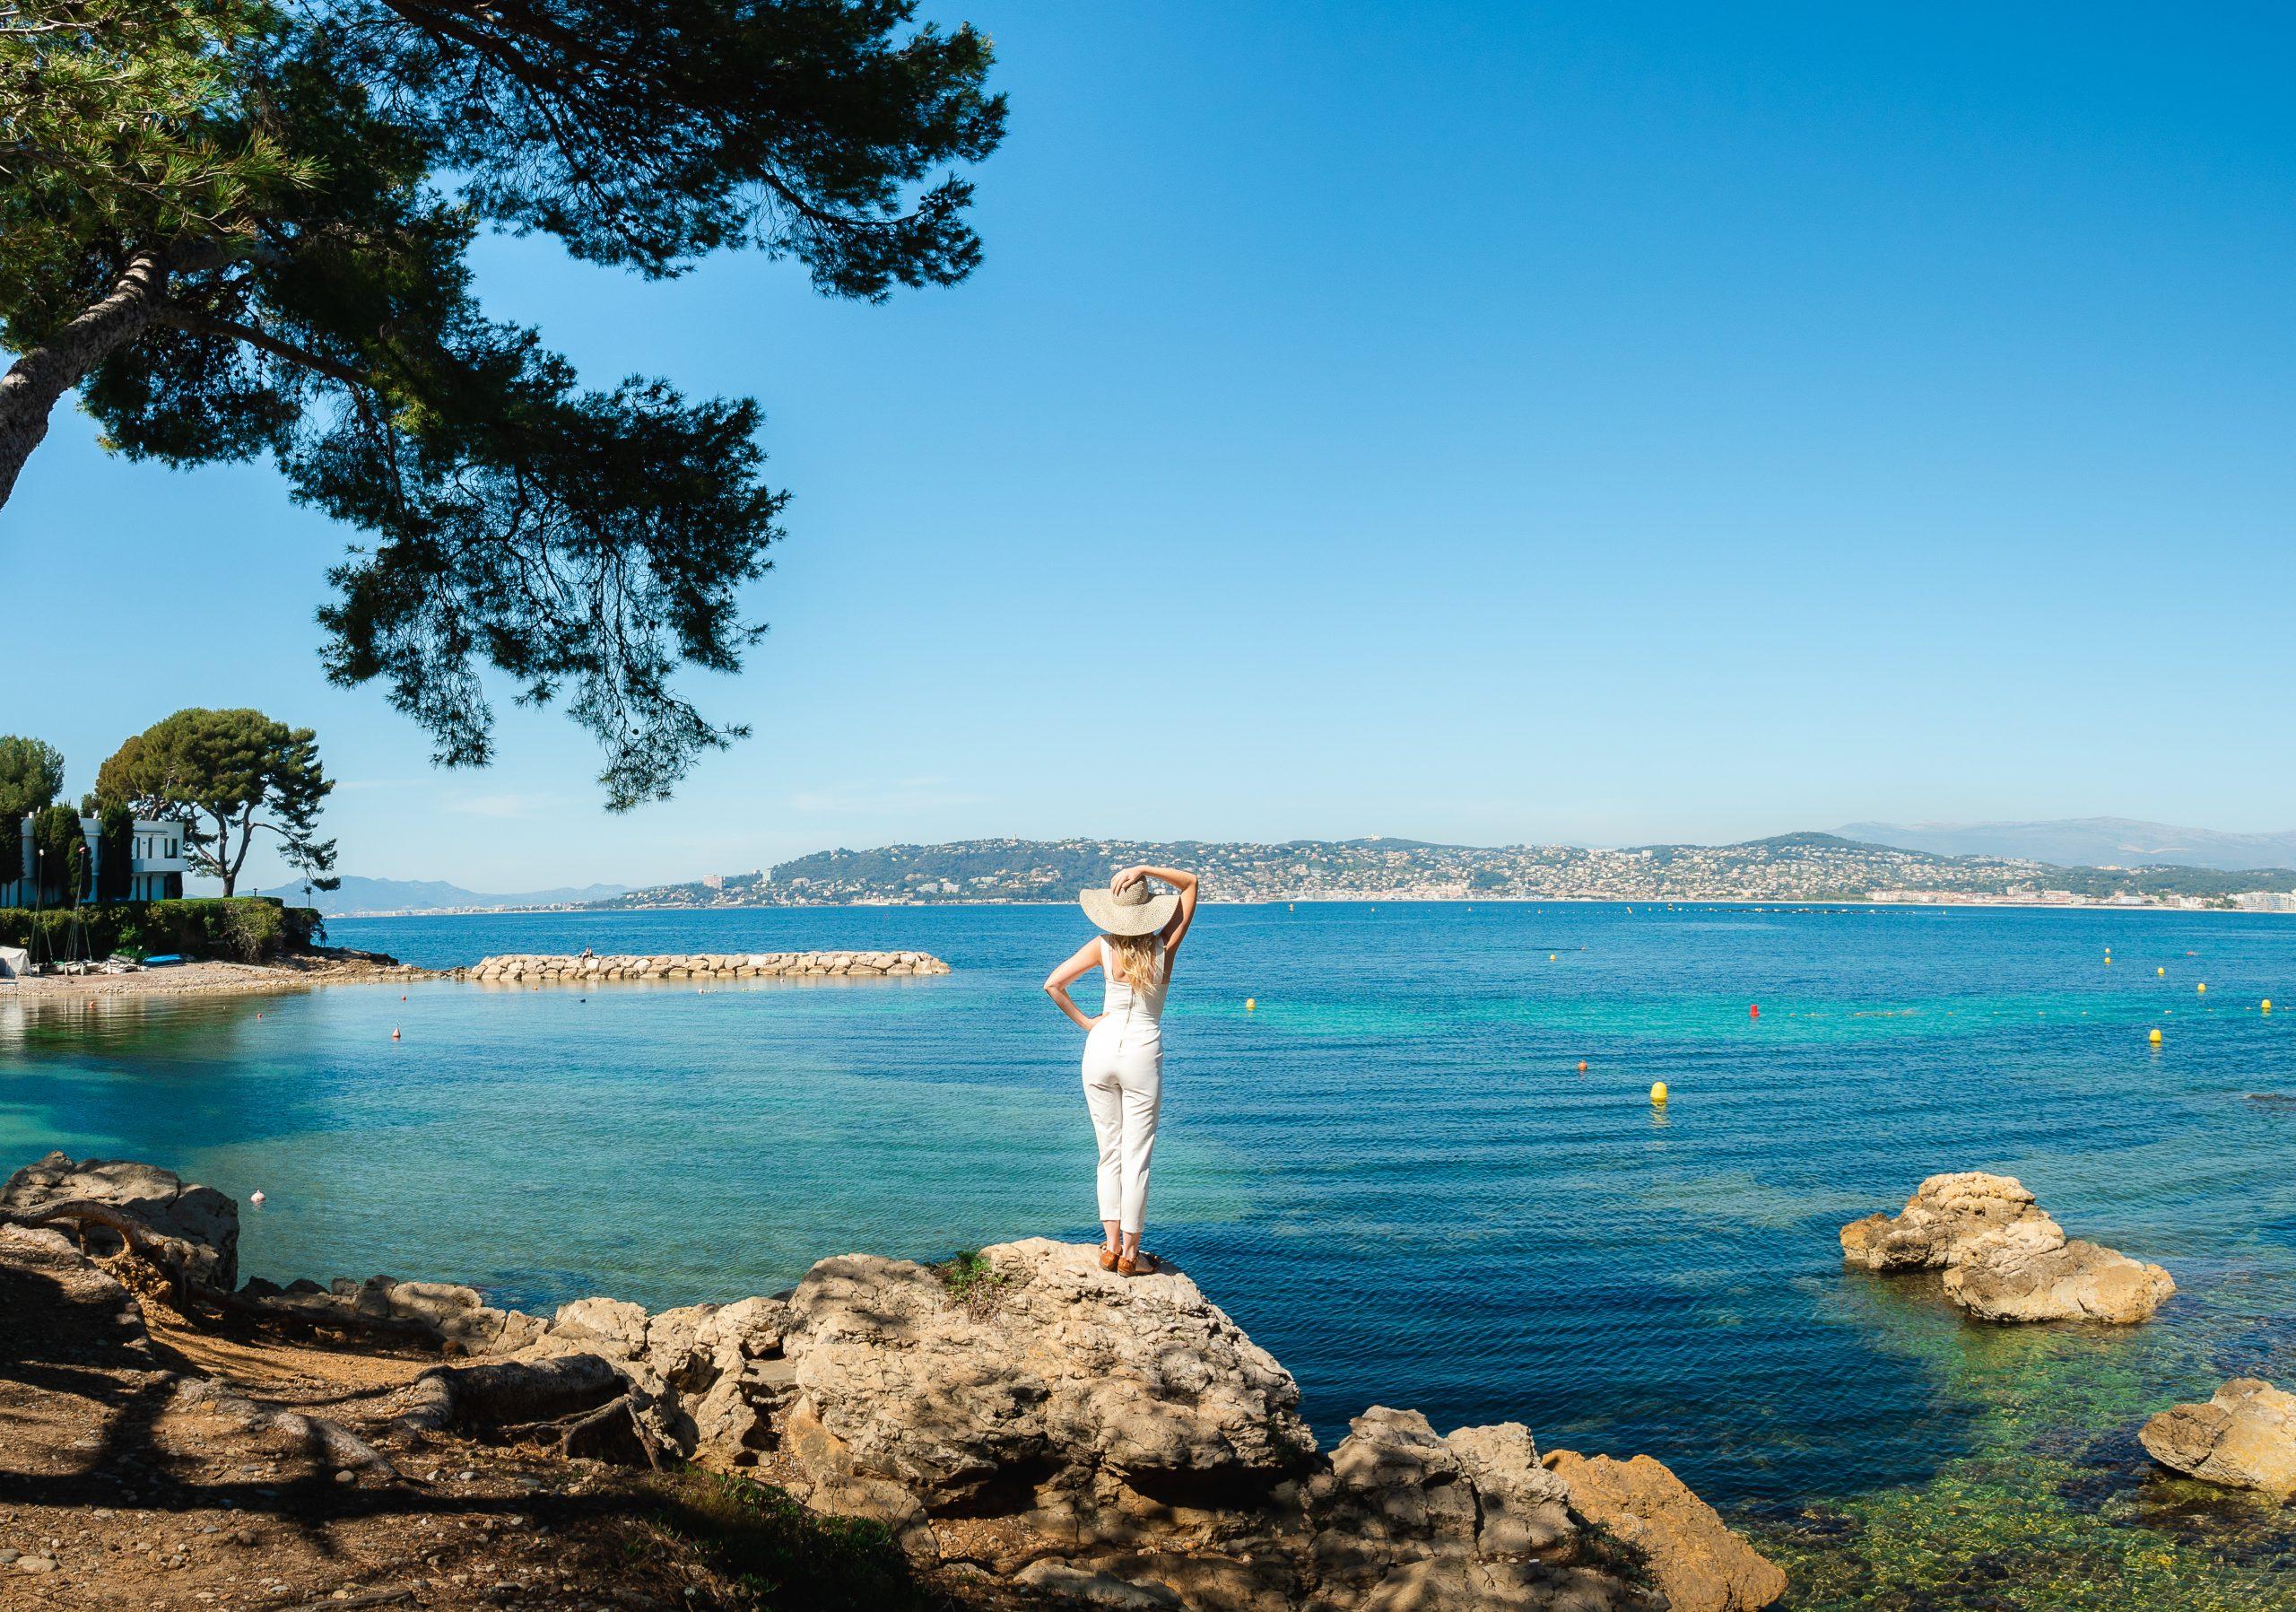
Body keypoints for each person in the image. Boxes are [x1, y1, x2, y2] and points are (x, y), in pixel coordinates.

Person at [1042, 863, 1199, 1275]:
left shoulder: (1102, 946)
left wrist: (1088, 1022)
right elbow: (1191, 884)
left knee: (1108, 1152)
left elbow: (1053, 985)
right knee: (1136, 1156)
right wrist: (1145, 868)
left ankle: (1109, 1248)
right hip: (1142, 1052)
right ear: (1148, 913)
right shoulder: (1164, 947)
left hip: (1100, 1048)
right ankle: (1131, 1256)